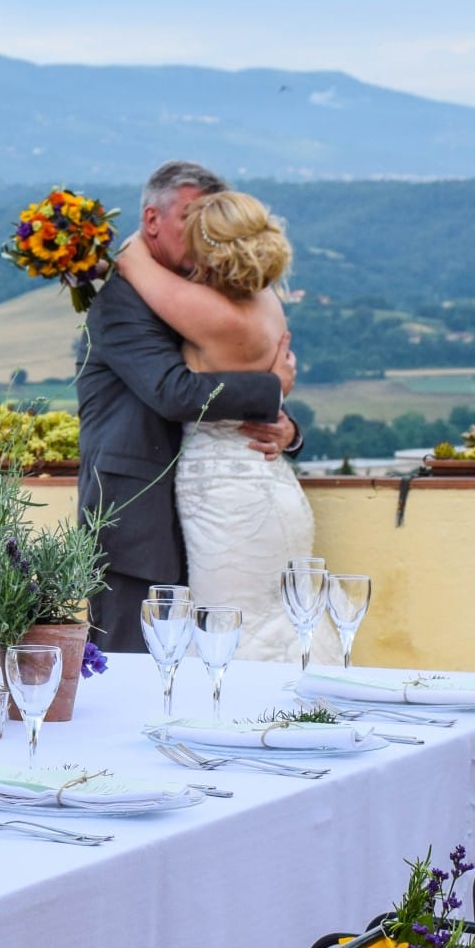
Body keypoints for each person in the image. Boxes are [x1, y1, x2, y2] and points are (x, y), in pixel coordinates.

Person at [76, 161, 299, 653]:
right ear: (152, 221)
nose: (199, 233)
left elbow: (227, 367)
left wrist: (285, 426)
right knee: (134, 671)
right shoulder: (121, 300)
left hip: (210, 514)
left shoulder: (200, 295)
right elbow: (175, 392)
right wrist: (270, 390)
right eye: (189, 218)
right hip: (135, 525)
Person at [114, 189, 342, 663]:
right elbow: (261, 387)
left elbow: (132, 261)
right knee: (276, 619)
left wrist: (143, 228)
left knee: (233, 624)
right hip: (268, 479)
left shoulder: (211, 313)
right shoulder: (267, 301)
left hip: (229, 497)